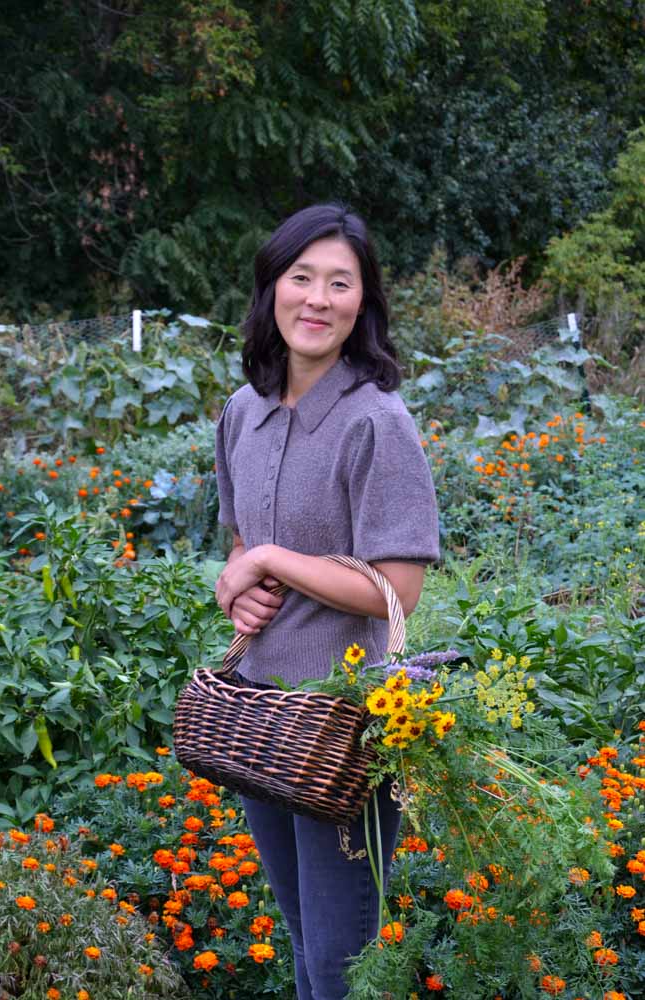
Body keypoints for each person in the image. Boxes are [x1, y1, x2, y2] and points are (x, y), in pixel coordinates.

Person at [214, 202, 440, 999]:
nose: (317, 298)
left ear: (362, 302)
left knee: (343, 963)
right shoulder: (243, 411)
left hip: (344, 724)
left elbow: (397, 591)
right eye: (300, 277)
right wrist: (237, 587)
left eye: (338, 283)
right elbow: (240, 547)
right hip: (259, 718)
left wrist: (275, 557)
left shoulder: (376, 424)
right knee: (306, 946)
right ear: (271, 289)